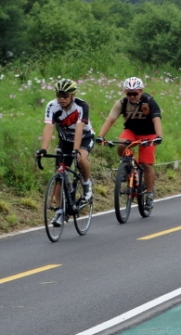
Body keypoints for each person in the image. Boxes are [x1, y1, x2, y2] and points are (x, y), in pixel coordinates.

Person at [95, 77, 163, 209]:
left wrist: (159, 136)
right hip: (131, 131)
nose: (132, 96)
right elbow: (110, 120)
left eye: (135, 93)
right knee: (121, 145)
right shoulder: (122, 103)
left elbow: (156, 120)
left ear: (141, 91)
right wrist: (100, 136)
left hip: (149, 134)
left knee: (146, 163)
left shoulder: (149, 102)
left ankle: (149, 194)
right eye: (129, 93)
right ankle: (128, 167)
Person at [36, 79, 95, 227]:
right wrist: (44, 149)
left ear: (72, 95)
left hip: (84, 138)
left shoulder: (82, 106)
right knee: (59, 176)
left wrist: (76, 150)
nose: (61, 99)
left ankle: (87, 185)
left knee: (80, 159)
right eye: (59, 95)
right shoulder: (52, 106)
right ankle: (60, 212)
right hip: (65, 141)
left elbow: (80, 128)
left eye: (65, 96)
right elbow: (48, 127)